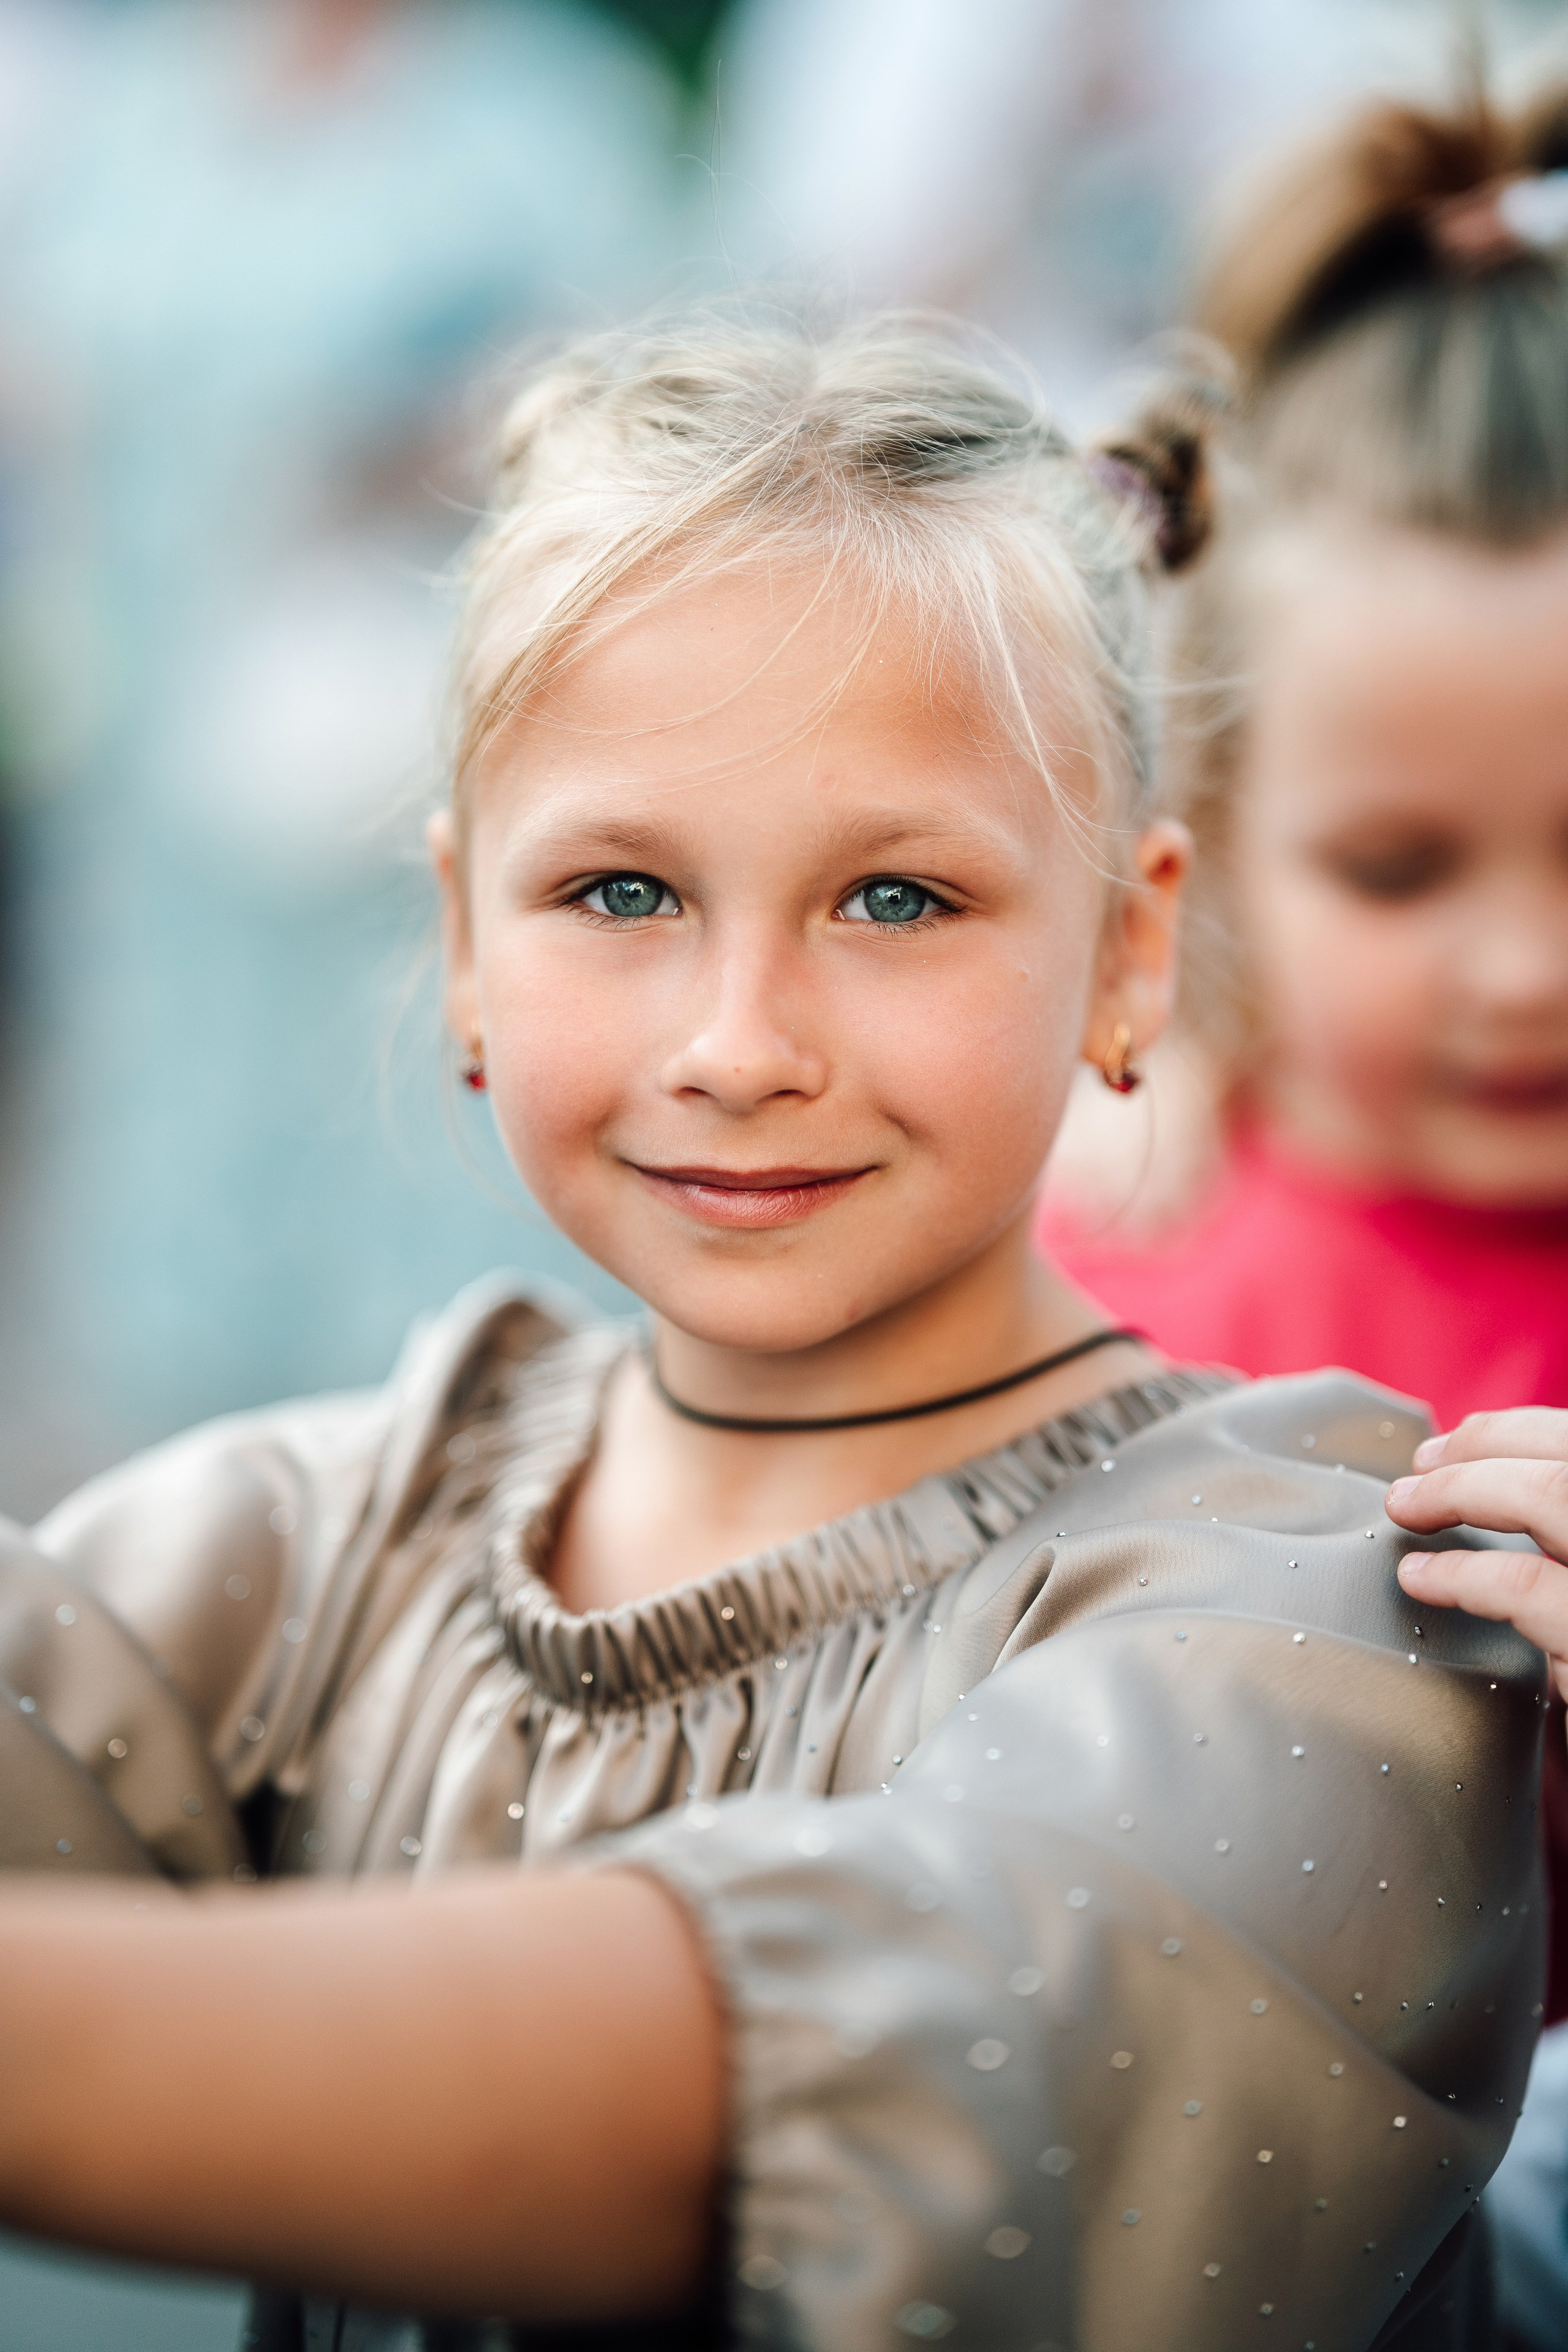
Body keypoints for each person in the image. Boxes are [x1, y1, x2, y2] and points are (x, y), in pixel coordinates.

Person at [0, 312, 1547, 2351]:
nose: (742, 1048)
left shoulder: (1322, 1612)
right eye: (623, 892)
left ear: (1133, 944)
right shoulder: (304, 1546)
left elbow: (847, 2094)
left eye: (898, 901)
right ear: (465, 945)